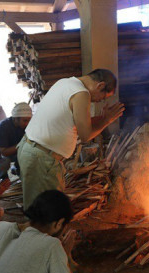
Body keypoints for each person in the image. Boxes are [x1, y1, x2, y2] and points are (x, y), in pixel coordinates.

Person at [18, 69, 124, 210]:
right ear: (100, 85)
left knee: (37, 209)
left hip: (31, 149)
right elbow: (85, 135)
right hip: (42, 158)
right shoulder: (81, 94)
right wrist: (107, 119)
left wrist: (103, 118)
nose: (100, 101)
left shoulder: (65, 83)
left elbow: (79, 122)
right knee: (48, 214)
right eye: (103, 97)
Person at [0, 102, 32, 175]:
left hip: (16, 150)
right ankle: (2, 178)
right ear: (15, 119)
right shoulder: (3, 127)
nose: (28, 123)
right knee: (4, 162)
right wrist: (23, 143)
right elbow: (3, 152)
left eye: (29, 120)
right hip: (0, 155)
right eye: (25, 120)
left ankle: (17, 169)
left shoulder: (26, 125)